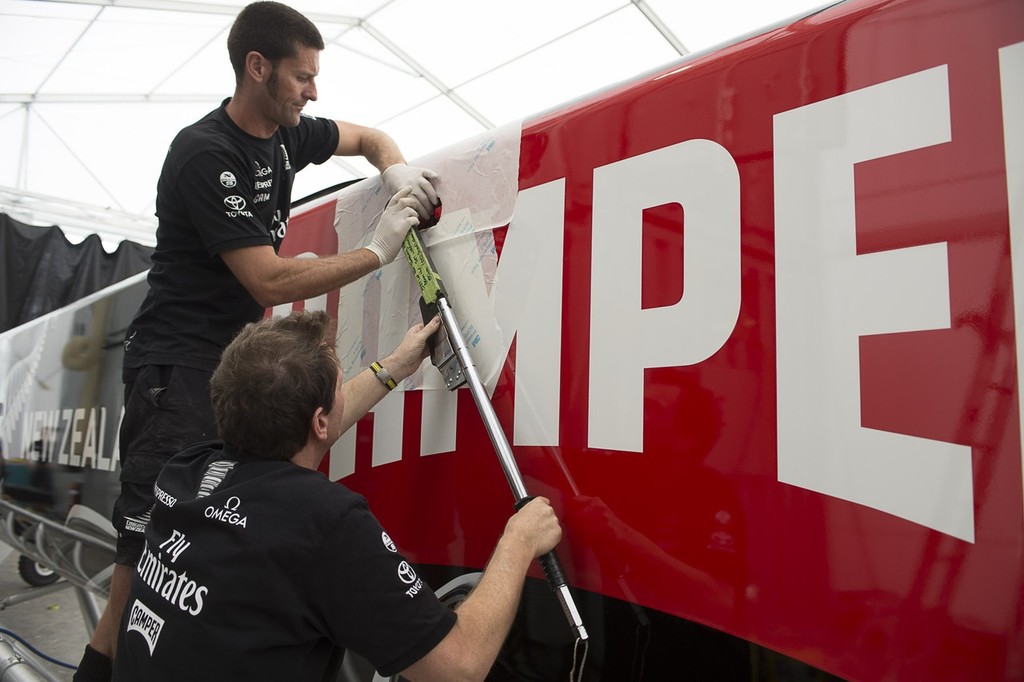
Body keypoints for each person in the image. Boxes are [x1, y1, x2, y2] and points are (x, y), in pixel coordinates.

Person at [73, 2, 442, 679]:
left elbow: (369, 138)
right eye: (303, 77)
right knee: (142, 562)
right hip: (178, 370)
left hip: (230, 368)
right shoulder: (205, 152)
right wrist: (376, 249)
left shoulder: (285, 134)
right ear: (257, 68)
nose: (314, 91)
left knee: (211, 549)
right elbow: (269, 281)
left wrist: (394, 169)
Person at [111, 311, 563, 681]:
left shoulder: (187, 470)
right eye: (339, 384)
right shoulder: (322, 521)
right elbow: (459, 666)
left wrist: (393, 367)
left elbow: (303, 428)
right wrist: (518, 542)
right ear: (319, 422)